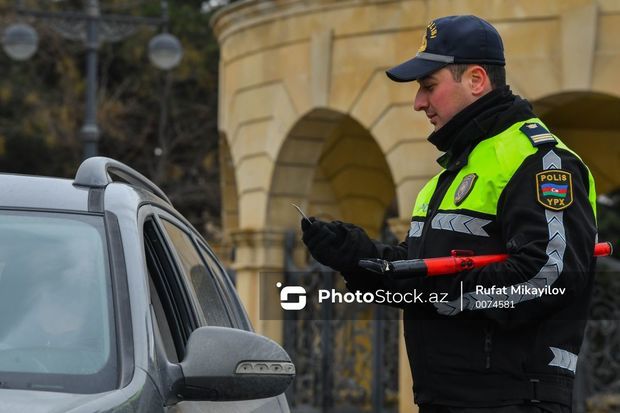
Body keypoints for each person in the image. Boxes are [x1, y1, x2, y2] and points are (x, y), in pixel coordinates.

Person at [301, 15, 598, 413]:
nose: (418, 102)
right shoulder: (451, 172)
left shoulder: (541, 160)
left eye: (428, 86)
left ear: (476, 80)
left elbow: (549, 275)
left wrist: (437, 293)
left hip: (514, 400)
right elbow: (423, 273)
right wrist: (358, 258)